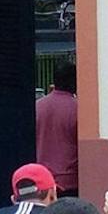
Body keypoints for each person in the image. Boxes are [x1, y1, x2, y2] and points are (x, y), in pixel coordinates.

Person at [35, 64, 81, 198]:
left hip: (41, 180)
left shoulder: (38, 107)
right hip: (70, 181)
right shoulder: (78, 109)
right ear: (74, 81)